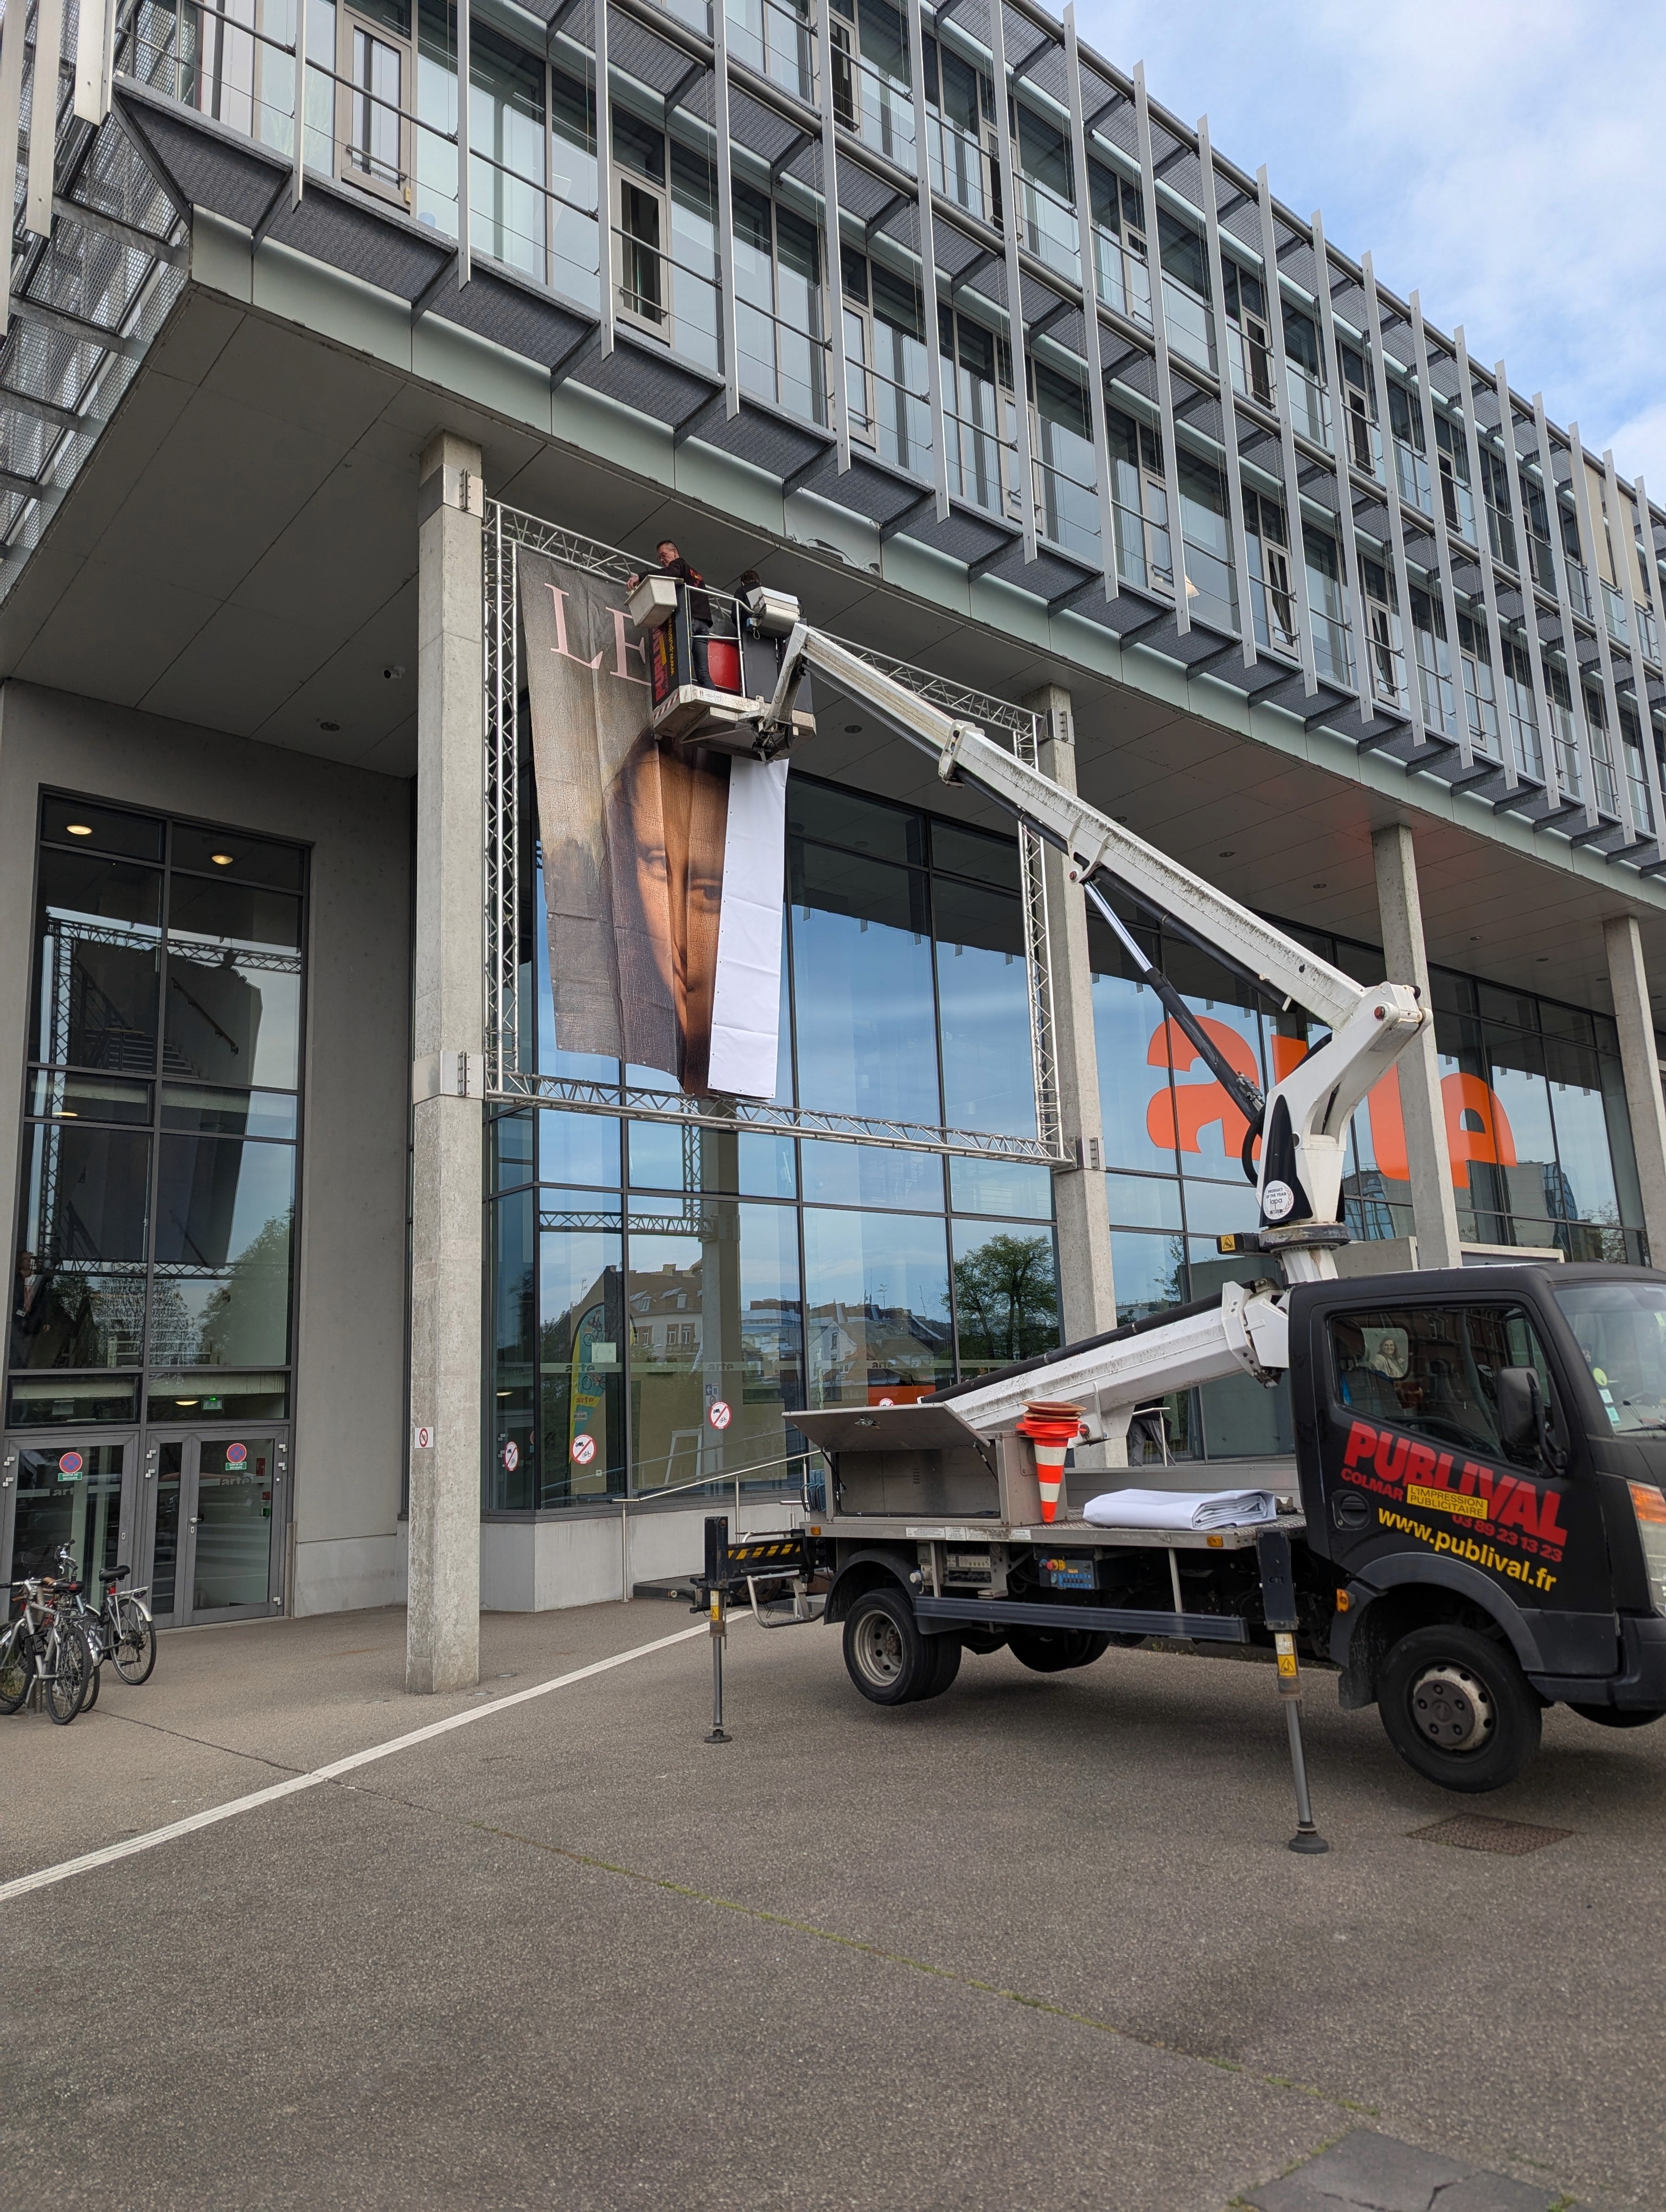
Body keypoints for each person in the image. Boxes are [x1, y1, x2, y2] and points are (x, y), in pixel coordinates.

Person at [627, 539, 714, 684]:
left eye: (663, 555)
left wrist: (640, 577)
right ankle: (713, 701)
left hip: (689, 619)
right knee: (703, 673)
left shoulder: (679, 564)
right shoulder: (696, 574)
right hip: (703, 624)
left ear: (674, 553)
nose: (662, 560)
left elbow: (669, 573)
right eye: (659, 558)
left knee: (680, 666)